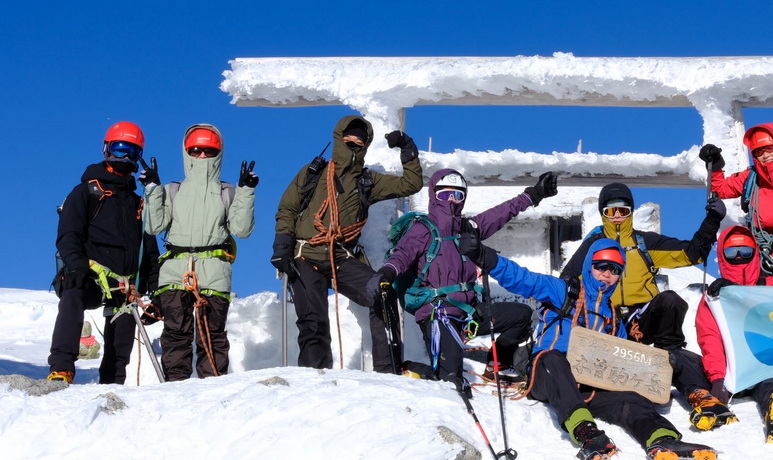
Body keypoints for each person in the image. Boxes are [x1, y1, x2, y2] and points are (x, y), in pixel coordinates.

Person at [459, 225, 718, 460]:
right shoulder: (562, 291)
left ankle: (662, 439)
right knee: (552, 358)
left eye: (615, 269)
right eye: (601, 266)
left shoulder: (612, 316)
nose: (607, 273)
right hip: (550, 377)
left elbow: (625, 358)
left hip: (589, 386)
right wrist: (483, 255)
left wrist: (656, 369)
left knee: (631, 398)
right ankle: (586, 431)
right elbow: (521, 278)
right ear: (589, 266)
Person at [559, 182, 725, 422]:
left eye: (623, 210)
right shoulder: (594, 245)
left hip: (641, 319)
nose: (617, 216)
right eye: (610, 211)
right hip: (607, 320)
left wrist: (712, 221)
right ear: (603, 213)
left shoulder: (644, 243)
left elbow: (692, 253)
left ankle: (689, 381)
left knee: (670, 301)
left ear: (631, 212)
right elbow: (568, 278)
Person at [372, 169, 555, 386]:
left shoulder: (468, 229)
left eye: (457, 195)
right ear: (434, 195)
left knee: (521, 315)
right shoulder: (423, 230)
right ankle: (410, 368)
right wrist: (387, 272)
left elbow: (500, 213)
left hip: (469, 313)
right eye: (445, 194)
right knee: (451, 380)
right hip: (439, 314)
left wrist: (534, 194)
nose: (451, 200)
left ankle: (497, 365)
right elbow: (402, 255)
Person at [271, 116, 423, 370]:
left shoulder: (368, 180)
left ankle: (388, 369)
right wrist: (282, 245)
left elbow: (411, 183)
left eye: (360, 139)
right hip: (305, 253)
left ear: (366, 144)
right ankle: (315, 375)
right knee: (313, 320)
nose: (354, 142)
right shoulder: (313, 172)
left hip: (341, 256)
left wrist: (407, 149)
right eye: (349, 137)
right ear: (339, 137)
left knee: (382, 293)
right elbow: (288, 206)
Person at [48, 121, 160, 384]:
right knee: (73, 295)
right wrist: (76, 265)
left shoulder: (139, 203)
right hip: (89, 275)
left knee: (123, 324)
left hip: (125, 283)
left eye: (132, 152)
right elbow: (69, 234)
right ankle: (62, 368)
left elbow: (150, 252)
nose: (124, 157)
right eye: (119, 148)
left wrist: (155, 290)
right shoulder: (86, 192)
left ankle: (113, 383)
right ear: (106, 149)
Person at [143, 124, 256, 380]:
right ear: (186, 152)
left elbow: (241, 229)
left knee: (211, 334)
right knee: (176, 333)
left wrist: (246, 192)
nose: (202, 155)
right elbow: (153, 226)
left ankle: (211, 388)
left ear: (218, 153)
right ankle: (176, 387)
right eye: (195, 150)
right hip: (175, 268)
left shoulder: (229, 192)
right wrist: (152, 189)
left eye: (208, 151)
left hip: (214, 269)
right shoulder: (172, 190)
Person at [699, 225, 773, 444]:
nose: (739, 257)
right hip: (733, 369)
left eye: (745, 251)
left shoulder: (770, 285)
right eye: (731, 252)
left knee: (772, 381)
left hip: (764, 363)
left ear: (755, 252)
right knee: (695, 368)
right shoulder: (714, 295)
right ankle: (711, 404)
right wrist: (717, 378)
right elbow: (710, 338)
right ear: (722, 256)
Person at [700, 122, 773, 286]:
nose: (765, 154)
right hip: (757, 255)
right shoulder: (751, 177)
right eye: (759, 151)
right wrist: (716, 164)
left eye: (770, 148)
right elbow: (720, 189)